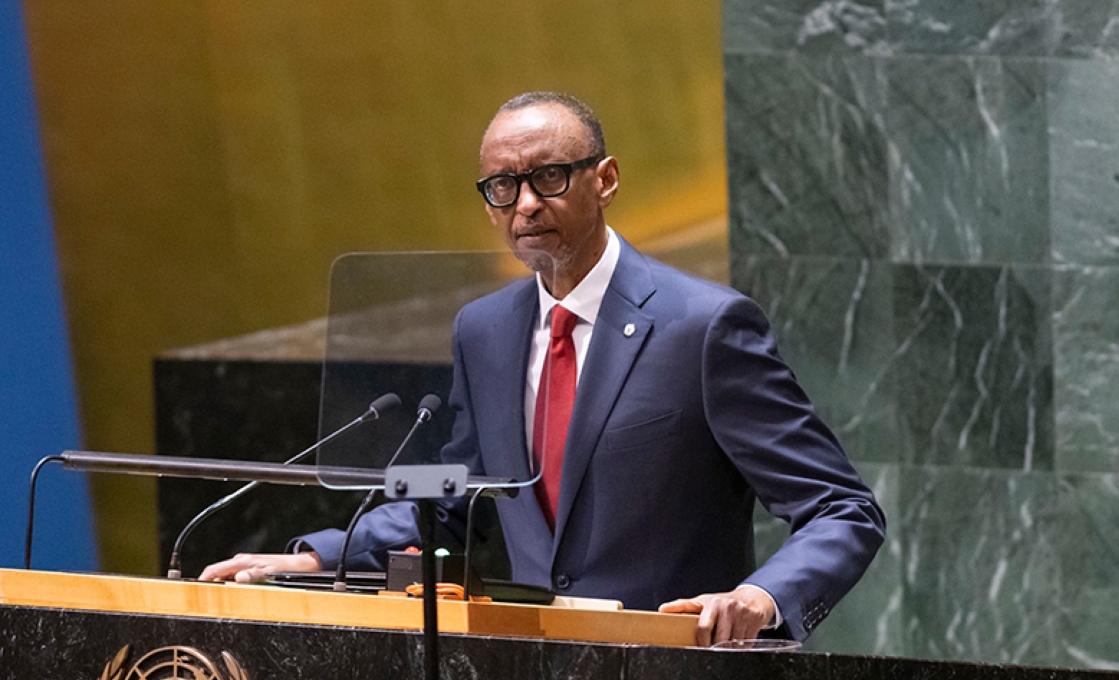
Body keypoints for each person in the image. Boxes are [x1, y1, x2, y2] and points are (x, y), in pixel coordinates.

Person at [201, 92, 885, 645]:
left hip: (676, 667)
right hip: (537, 663)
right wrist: (317, 557)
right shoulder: (485, 330)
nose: (525, 204)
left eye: (548, 177)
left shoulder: (703, 327)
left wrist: (759, 600)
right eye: (502, 186)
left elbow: (842, 509)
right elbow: (457, 492)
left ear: (605, 179)